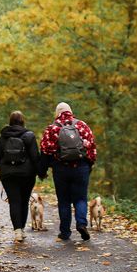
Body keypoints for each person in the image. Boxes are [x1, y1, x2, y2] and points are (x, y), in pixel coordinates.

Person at [39, 102, 97, 241]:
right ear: (71, 111)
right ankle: (82, 224)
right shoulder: (82, 125)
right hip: (81, 168)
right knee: (81, 198)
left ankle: (65, 232)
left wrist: (42, 171)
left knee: (64, 201)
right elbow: (92, 148)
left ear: (57, 113)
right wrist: (89, 165)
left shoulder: (52, 128)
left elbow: (45, 151)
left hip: (61, 169)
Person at [0, 111, 42, 242]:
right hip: (26, 175)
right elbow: (35, 157)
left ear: (10, 121)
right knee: (24, 201)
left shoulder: (3, 136)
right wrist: (40, 172)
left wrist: (5, 168)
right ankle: (22, 228)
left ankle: (18, 232)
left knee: (14, 201)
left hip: (8, 175)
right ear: (23, 121)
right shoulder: (29, 136)